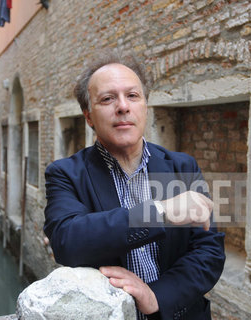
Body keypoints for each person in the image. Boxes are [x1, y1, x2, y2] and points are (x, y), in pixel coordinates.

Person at [43, 52, 225, 320]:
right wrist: (159, 213)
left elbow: (209, 251)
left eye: (133, 96)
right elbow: (67, 241)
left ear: (145, 107)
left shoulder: (182, 167)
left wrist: (156, 296)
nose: (123, 107)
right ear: (89, 117)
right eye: (107, 99)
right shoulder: (66, 174)